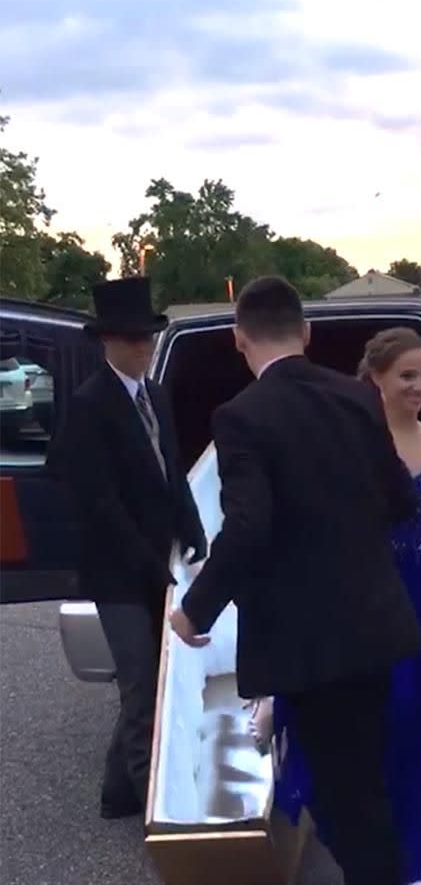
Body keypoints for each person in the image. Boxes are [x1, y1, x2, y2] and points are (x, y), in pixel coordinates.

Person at [170, 276, 421, 885]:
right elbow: (400, 500)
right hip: (374, 623)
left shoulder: (240, 417)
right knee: (362, 787)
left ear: (239, 339)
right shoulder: (356, 397)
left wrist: (194, 610)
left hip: (308, 646)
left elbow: (251, 526)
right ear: (306, 333)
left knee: (343, 802)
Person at [271, 326, 421, 885]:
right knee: (365, 733)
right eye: (407, 375)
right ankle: (364, 854)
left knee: (413, 733)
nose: (419, 386)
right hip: (365, 598)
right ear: (375, 378)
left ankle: (409, 867)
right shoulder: (349, 438)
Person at [48, 276, 206, 819]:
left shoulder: (156, 395)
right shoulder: (89, 405)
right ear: (108, 342)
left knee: (150, 682)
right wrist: (149, 565)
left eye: (150, 337)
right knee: (140, 685)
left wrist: (193, 529)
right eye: (136, 339)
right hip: (117, 572)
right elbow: (100, 504)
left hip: (157, 564)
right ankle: (151, 805)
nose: (147, 346)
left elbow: (173, 473)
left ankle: (117, 791)